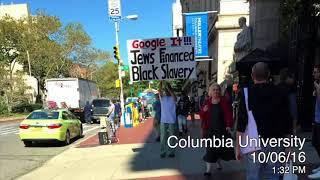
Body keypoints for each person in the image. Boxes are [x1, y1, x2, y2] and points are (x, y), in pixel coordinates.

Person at [235, 62, 292, 180]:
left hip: (253, 144)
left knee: (253, 176)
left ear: (252, 75)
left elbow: (241, 123)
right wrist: (288, 147)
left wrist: (238, 147)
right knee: (273, 176)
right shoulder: (281, 92)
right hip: (276, 142)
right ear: (269, 74)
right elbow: (287, 122)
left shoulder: (246, 93)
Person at [199, 83, 235, 176]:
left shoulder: (224, 101)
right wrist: (204, 111)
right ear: (210, 92)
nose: (216, 91)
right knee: (210, 150)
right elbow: (201, 115)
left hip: (222, 130)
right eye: (214, 89)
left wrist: (228, 125)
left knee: (219, 149)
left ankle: (218, 163)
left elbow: (229, 115)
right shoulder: (207, 102)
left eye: (217, 89)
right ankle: (208, 170)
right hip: (210, 130)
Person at [159, 81, 177, 158]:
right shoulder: (162, 98)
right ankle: (163, 152)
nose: (165, 91)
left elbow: (174, 97)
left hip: (172, 120)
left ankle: (171, 152)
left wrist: (168, 88)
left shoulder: (173, 98)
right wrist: (161, 82)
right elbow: (159, 91)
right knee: (163, 137)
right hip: (163, 120)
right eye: (165, 90)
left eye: (166, 90)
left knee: (172, 137)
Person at [308, 65, 320, 179]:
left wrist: (317, 88)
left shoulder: (318, 85)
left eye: (315, 72)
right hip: (317, 118)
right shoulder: (317, 84)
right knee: (315, 143)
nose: (313, 74)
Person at [278, 68, 298, 133]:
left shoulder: (276, 88)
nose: (293, 79)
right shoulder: (290, 91)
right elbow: (293, 109)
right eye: (292, 77)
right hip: (288, 121)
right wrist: (294, 128)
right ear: (287, 78)